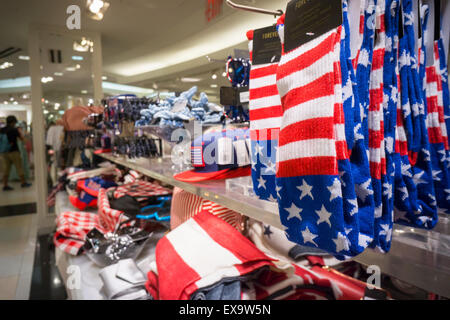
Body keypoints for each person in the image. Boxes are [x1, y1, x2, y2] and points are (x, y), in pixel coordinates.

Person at [1, 115, 32, 191]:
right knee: (19, 167)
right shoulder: (14, 130)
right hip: (14, 151)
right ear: (13, 122)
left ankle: (5, 185)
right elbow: (21, 139)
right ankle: (23, 182)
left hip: (4, 152)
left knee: (6, 169)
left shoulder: (1, 130)